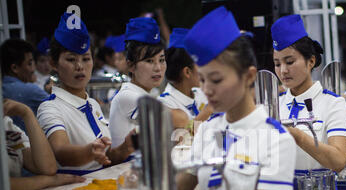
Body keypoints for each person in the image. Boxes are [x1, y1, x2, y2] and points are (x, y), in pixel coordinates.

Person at [177, 6, 296, 190]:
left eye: (217, 79)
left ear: (249, 76)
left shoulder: (275, 138)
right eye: (201, 79)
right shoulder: (207, 132)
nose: (207, 90)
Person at [37, 12, 135, 175]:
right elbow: (61, 151)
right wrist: (89, 152)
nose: (80, 66)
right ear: (54, 63)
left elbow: (106, 158)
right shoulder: (49, 108)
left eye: (86, 58)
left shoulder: (92, 104)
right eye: (71, 59)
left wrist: (126, 147)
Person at [272, 14, 346, 184]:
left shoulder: (333, 103)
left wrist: (299, 136)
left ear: (311, 61)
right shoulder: (274, 105)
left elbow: (338, 162)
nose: (283, 70)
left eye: (290, 62)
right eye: (277, 64)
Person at [109, 17, 188, 148]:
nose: (158, 68)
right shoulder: (127, 96)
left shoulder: (150, 92)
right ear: (131, 66)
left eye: (161, 60)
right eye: (149, 61)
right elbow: (180, 119)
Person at [3, 98, 84, 190]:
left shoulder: (6, 124)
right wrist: (47, 181)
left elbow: (48, 168)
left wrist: (27, 113)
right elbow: (4, 186)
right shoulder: (49, 105)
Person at [158, 28, 214, 130]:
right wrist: (209, 110)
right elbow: (184, 137)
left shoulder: (201, 93)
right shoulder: (164, 104)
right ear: (187, 72)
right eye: (200, 65)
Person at [1, 38, 49, 131]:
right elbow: (63, 109)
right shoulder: (30, 90)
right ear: (15, 68)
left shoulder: (3, 87)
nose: (33, 69)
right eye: (29, 63)